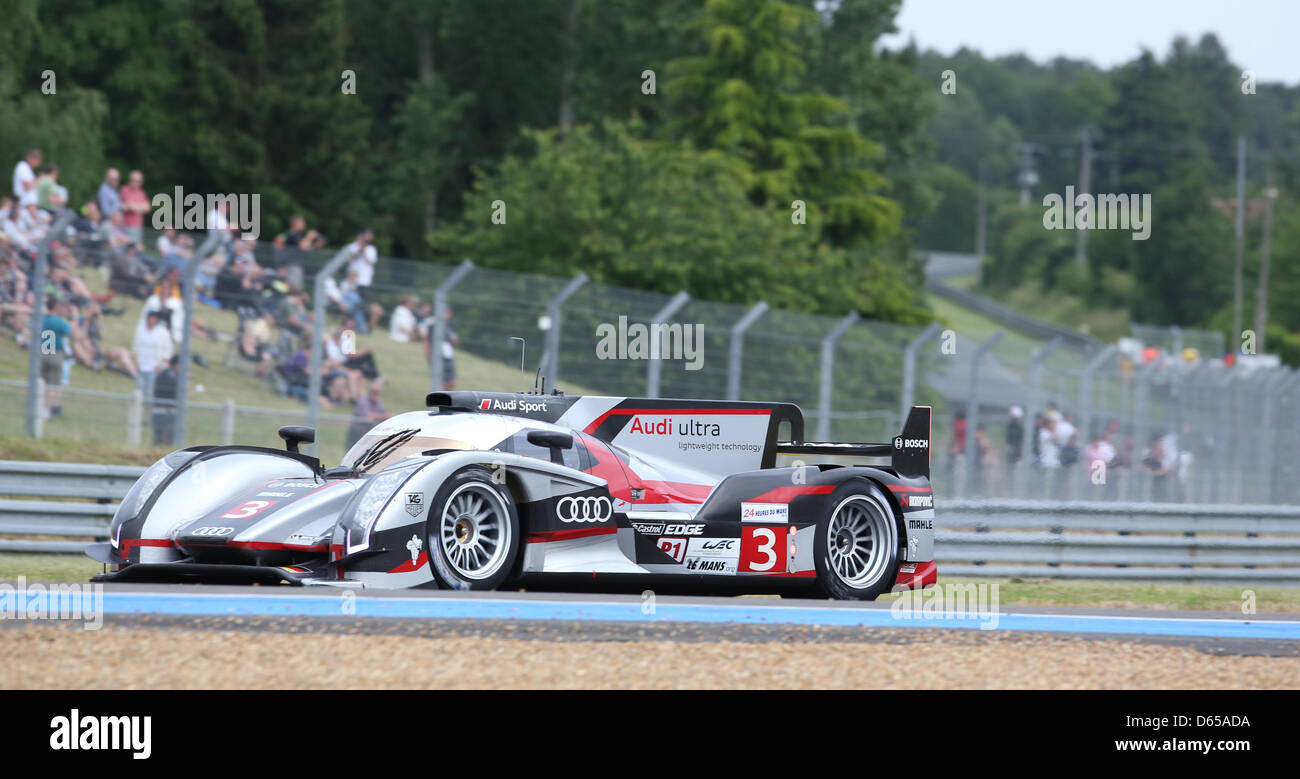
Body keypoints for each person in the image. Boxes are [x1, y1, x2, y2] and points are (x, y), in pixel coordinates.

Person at [39, 297, 73, 419]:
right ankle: (47, 410)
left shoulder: (42, 319)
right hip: (56, 354)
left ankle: (40, 407)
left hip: (43, 352)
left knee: (42, 382)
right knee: (53, 384)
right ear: (55, 306)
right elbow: (71, 332)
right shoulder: (58, 321)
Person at [133, 310, 173, 409]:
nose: (152, 320)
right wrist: (136, 362)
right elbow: (135, 347)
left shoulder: (162, 332)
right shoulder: (140, 330)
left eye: (155, 318)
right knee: (140, 392)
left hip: (154, 368)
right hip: (141, 367)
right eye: (151, 317)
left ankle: (150, 413)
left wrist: (162, 363)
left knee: (151, 392)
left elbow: (168, 349)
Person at [347, 379, 388, 449]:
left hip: (367, 435)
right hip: (356, 434)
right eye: (374, 392)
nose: (375, 394)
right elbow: (369, 417)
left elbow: (386, 417)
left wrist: (384, 417)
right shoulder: (364, 402)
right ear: (370, 392)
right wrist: (383, 416)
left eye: (377, 393)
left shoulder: (378, 404)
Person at [152, 354, 180, 445]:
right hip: (163, 413)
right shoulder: (166, 376)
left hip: (169, 412)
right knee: (161, 438)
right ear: (176, 365)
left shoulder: (175, 376)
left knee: (168, 439)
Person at [118, 170, 150, 243]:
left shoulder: (142, 193)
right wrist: (140, 207)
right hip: (125, 226)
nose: (136, 183)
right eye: (133, 180)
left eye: (138, 181)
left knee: (134, 250)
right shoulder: (124, 190)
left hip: (137, 227)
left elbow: (147, 207)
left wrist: (133, 206)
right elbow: (124, 206)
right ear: (129, 180)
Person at [438, 305, 459, 390]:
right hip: (440, 356)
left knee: (452, 382)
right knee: (443, 382)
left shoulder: (450, 325)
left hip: (449, 356)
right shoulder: (436, 324)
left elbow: (455, 340)